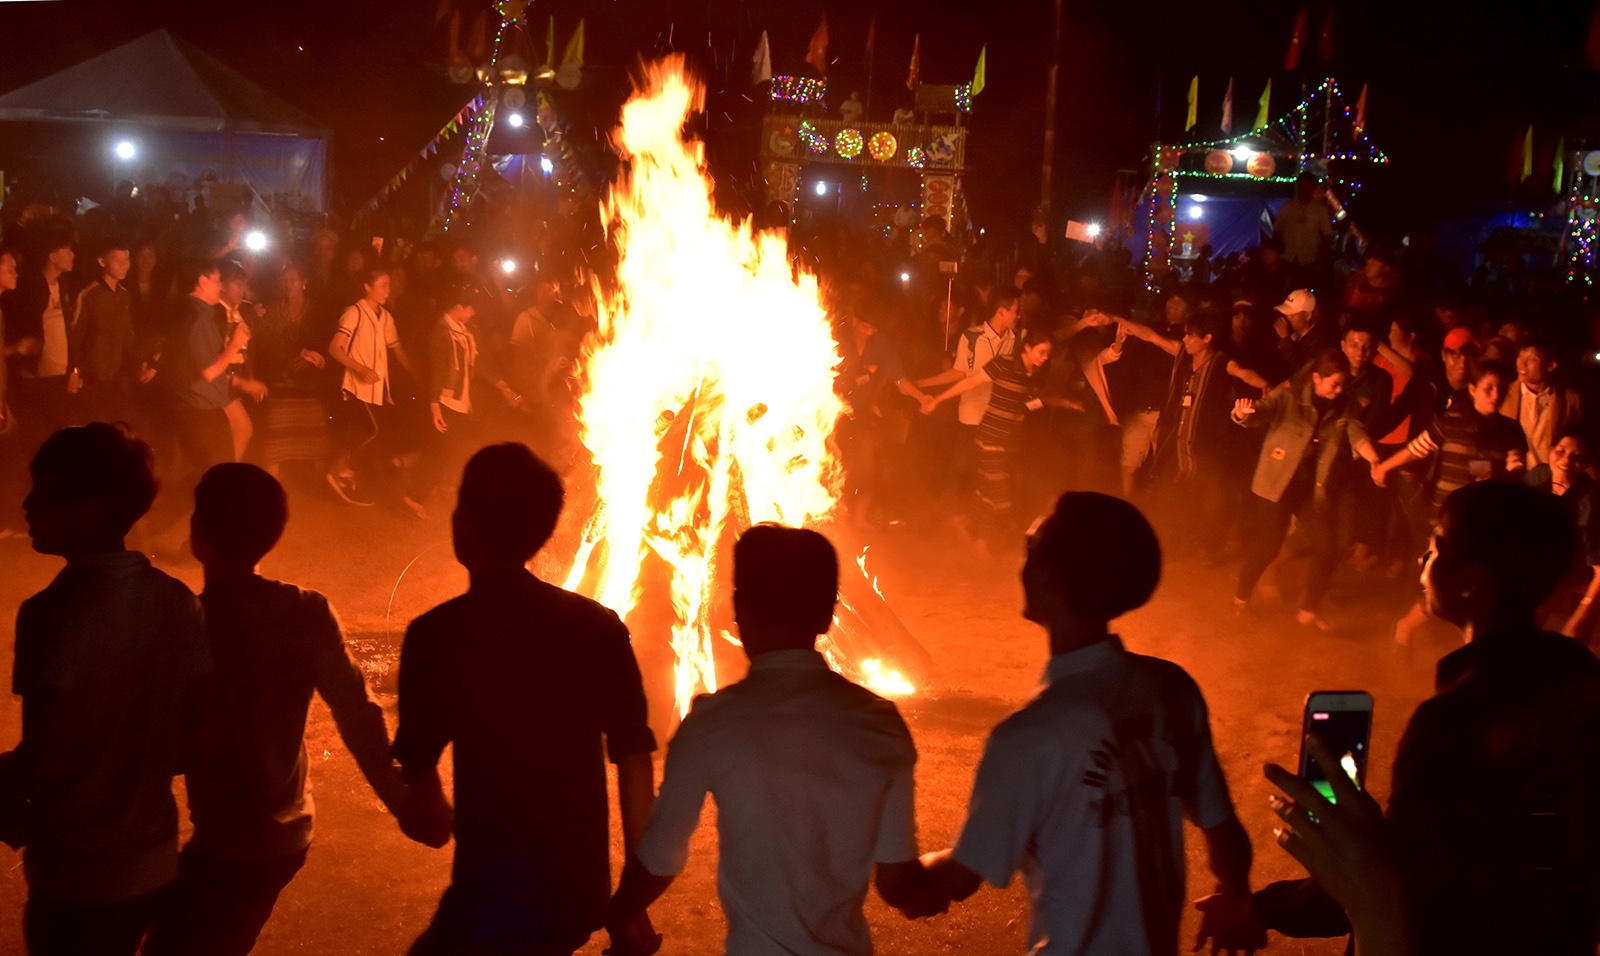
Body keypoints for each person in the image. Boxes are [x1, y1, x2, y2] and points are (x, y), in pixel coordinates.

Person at [1258, 481, 1600, 956]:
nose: (1422, 560)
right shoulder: (1578, 674)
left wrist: (1259, 909)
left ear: (1469, 580)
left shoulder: (1451, 725)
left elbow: (1394, 880)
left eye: (1435, 545)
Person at [918, 492, 1260, 955]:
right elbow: (1224, 832)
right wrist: (1235, 894)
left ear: (1051, 577)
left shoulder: (1029, 738)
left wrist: (892, 865)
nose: (1021, 562)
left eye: (1030, 548)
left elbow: (956, 879)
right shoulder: (1171, 688)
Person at [608, 525, 941, 955]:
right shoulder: (880, 723)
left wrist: (620, 912)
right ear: (827, 617)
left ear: (739, 612)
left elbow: (660, 856)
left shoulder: (713, 723)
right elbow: (900, 884)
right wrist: (959, 868)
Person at [394, 443, 657, 955]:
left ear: (461, 523)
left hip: (489, 897)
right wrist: (631, 903)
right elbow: (634, 762)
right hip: (578, 895)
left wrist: (427, 807)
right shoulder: (598, 628)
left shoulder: (437, 635)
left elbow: (428, 816)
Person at [142, 463, 410, 956]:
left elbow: (173, 748)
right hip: (290, 834)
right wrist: (402, 800)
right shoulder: (307, 610)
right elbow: (357, 713)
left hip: (228, 841)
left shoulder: (188, 624)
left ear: (198, 537)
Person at [0, 423, 211, 955]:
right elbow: (196, 733)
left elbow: (49, 755)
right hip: (154, 856)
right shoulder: (178, 601)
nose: (25, 504)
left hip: (78, 870)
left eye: (43, 493)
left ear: (91, 509)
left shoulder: (52, 615)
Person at [1231, 350, 1355, 630]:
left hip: (1310, 489)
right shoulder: (1289, 397)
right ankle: (1241, 598)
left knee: (1327, 545)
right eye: (1334, 384)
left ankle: (1308, 612)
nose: (1338, 390)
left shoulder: (1342, 407)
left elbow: (1352, 434)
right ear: (1316, 378)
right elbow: (1261, 411)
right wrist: (1242, 413)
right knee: (1268, 545)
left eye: (1342, 385)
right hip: (1275, 484)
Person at [923, 329, 1080, 549]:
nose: (1045, 357)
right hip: (989, 438)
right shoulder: (1004, 363)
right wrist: (938, 399)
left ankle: (965, 523)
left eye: (1047, 354)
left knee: (988, 489)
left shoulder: (1033, 374)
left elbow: (1032, 402)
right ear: (1027, 347)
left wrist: (1065, 403)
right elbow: (970, 382)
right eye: (1042, 351)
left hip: (1009, 443)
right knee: (1000, 493)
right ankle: (981, 543)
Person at [326, 267, 419, 510]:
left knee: (375, 431)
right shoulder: (354, 313)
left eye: (389, 285)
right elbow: (335, 349)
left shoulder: (386, 318)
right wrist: (359, 368)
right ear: (367, 287)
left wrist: (414, 373)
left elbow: (396, 349)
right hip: (356, 386)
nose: (388, 290)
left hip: (376, 389)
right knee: (372, 429)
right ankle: (337, 469)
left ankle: (346, 472)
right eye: (383, 285)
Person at [915, 291, 1019, 507]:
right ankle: (945, 513)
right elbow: (959, 373)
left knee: (990, 469)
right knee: (960, 466)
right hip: (972, 413)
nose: (1018, 316)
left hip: (997, 416)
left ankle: (978, 513)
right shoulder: (971, 336)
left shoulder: (1012, 337)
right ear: (1001, 311)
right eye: (1015, 311)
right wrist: (925, 384)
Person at [425, 290, 518, 507]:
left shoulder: (464, 334)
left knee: (454, 451)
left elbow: (477, 365)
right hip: (446, 403)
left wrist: (502, 386)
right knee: (456, 450)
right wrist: (434, 406)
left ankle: (422, 494)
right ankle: (419, 495)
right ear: (458, 307)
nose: (472, 313)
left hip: (461, 403)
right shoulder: (442, 334)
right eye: (470, 308)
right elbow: (438, 371)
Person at [168, 258, 250, 482]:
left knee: (207, 479)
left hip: (199, 407)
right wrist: (235, 344)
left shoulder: (192, 313)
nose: (221, 286)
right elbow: (209, 371)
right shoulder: (198, 318)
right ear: (202, 282)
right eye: (216, 281)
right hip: (203, 411)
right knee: (217, 480)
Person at [252, 264, 331, 476]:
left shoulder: (315, 310)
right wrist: (291, 356)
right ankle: (273, 477)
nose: (288, 283)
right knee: (278, 425)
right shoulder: (271, 309)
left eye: (293, 279)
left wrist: (311, 356)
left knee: (313, 425)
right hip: (281, 377)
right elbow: (266, 342)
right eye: (284, 279)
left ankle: (319, 477)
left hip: (308, 379)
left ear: (304, 283)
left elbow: (323, 340)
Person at [4, 231, 78, 451]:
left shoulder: (63, 286)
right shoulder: (31, 288)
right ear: (52, 257)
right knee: (39, 437)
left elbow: (69, 330)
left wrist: (73, 369)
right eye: (68, 250)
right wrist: (23, 363)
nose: (73, 255)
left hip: (59, 375)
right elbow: (24, 329)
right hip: (36, 376)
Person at [69, 239, 146, 426]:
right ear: (102, 261)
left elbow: (128, 336)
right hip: (91, 378)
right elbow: (75, 336)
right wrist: (74, 371)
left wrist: (141, 362)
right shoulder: (90, 295)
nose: (123, 265)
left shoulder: (124, 295)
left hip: (117, 377)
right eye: (116, 259)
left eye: (126, 259)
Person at [1501, 339, 1582, 467]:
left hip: (1551, 479)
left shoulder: (1570, 400)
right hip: (1514, 478)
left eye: (1532, 359)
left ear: (1551, 365)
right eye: (1520, 355)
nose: (1522, 363)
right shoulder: (1503, 394)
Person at [1272, 289, 1335, 378]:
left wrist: (1286, 340)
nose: (1288, 318)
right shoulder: (1294, 334)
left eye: (1293, 315)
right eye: (1287, 314)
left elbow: (1302, 372)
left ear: (1308, 315)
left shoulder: (1319, 342)